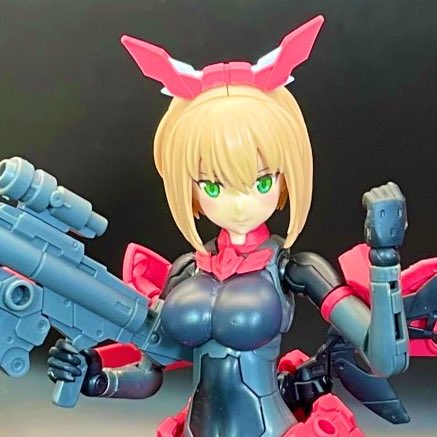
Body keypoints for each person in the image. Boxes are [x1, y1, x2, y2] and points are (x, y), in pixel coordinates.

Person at [48, 16, 409, 437]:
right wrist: (95, 378)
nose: (239, 204)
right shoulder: (186, 270)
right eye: (213, 186)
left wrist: (384, 259)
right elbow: (149, 373)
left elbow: (384, 358)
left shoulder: (295, 269)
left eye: (261, 182)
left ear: (287, 179)